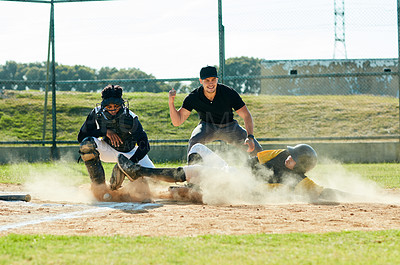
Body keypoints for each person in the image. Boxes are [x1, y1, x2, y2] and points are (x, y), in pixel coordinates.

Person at [116, 143, 352, 203]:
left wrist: (352, 195)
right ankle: (194, 190)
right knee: (198, 150)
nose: (289, 158)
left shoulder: (300, 181)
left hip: (244, 189)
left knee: (199, 170)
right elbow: (252, 161)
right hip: (237, 175)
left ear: (301, 167)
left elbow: (323, 192)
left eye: (295, 159)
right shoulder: (279, 154)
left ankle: (140, 172)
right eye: (292, 154)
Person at [168, 65, 263, 157]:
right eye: (207, 80)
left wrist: (250, 137)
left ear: (217, 80)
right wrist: (171, 102)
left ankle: (263, 170)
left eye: (213, 80)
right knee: (194, 142)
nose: (211, 83)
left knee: (256, 148)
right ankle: (194, 170)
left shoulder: (228, 93)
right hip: (207, 126)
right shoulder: (194, 97)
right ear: (201, 81)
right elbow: (177, 122)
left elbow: (246, 115)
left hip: (230, 126)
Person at [78, 84, 154, 193]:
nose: (113, 109)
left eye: (116, 106)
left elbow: (144, 146)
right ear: (103, 105)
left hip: (130, 153)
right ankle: (99, 187)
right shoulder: (96, 113)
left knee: (153, 184)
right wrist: (104, 131)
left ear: (121, 104)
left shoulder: (129, 117)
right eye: (109, 107)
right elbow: (81, 137)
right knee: (87, 144)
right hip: (107, 149)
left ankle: (122, 187)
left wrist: (127, 165)